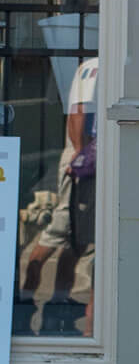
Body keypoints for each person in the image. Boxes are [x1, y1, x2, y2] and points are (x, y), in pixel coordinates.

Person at [15, 55, 98, 336]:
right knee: (62, 232)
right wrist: (81, 157)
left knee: (74, 241)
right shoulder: (96, 67)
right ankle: (27, 305)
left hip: (85, 164)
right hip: (84, 168)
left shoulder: (94, 65)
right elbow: (78, 113)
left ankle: (55, 303)